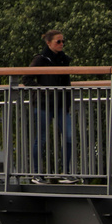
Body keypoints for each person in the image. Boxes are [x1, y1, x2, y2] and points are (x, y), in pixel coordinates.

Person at [24, 29, 75, 182]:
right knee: (41, 139)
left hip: (60, 104)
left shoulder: (64, 59)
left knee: (68, 136)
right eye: (58, 41)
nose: (61, 44)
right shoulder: (40, 59)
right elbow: (26, 79)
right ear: (49, 43)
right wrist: (42, 90)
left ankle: (65, 172)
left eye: (63, 41)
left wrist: (67, 102)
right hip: (43, 105)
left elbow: (66, 82)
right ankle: (37, 173)